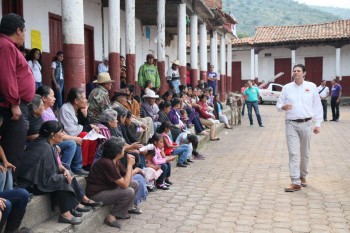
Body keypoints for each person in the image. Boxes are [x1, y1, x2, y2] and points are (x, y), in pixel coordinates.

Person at [18, 121, 98, 225]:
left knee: (67, 171)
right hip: (32, 183)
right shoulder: (43, 147)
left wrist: (64, 170)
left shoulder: (48, 144)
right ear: (52, 134)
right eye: (61, 132)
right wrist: (61, 174)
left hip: (39, 179)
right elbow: (43, 173)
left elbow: (54, 166)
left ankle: (74, 205)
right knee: (62, 179)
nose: (63, 135)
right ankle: (65, 215)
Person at [276, 64, 323, 192]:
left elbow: (317, 106)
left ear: (304, 73)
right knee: (293, 153)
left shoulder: (311, 87)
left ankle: (303, 176)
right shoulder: (286, 88)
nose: (295, 72)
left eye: (298, 71)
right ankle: (295, 181)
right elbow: (278, 104)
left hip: (307, 124)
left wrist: (318, 124)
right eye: (294, 71)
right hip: (291, 123)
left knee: (305, 153)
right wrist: (283, 107)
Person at [0, 13, 35, 178]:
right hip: (12, 105)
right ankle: (11, 185)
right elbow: (7, 78)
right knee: (13, 147)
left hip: (17, 104)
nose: (25, 34)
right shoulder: (6, 46)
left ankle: (11, 184)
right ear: (18, 30)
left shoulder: (9, 46)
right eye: (25, 31)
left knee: (15, 146)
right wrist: (14, 103)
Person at [86, 137, 139, 229]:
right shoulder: (106, 163)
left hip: (108, 188)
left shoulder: (114, 160)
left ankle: (126, 209)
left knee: (134, 184)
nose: (125, 149)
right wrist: (130, 165)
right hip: (96, 194)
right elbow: (125, 184)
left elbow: (126, 175)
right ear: (117, 152)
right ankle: (111, 217)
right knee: (129, 191)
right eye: (123, 148)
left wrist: (130, 167)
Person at [36, 86, 89, 175]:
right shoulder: (43, 113)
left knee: (76, 140)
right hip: (51, 140)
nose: (55, 98)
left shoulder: (49, 109)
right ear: (44, 98)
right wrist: (74, 138)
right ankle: (65, 168)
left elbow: (59, 129)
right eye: (52, 96)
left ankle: (77, 167)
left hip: (57, 136)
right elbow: (55, 133)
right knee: (72, 143)